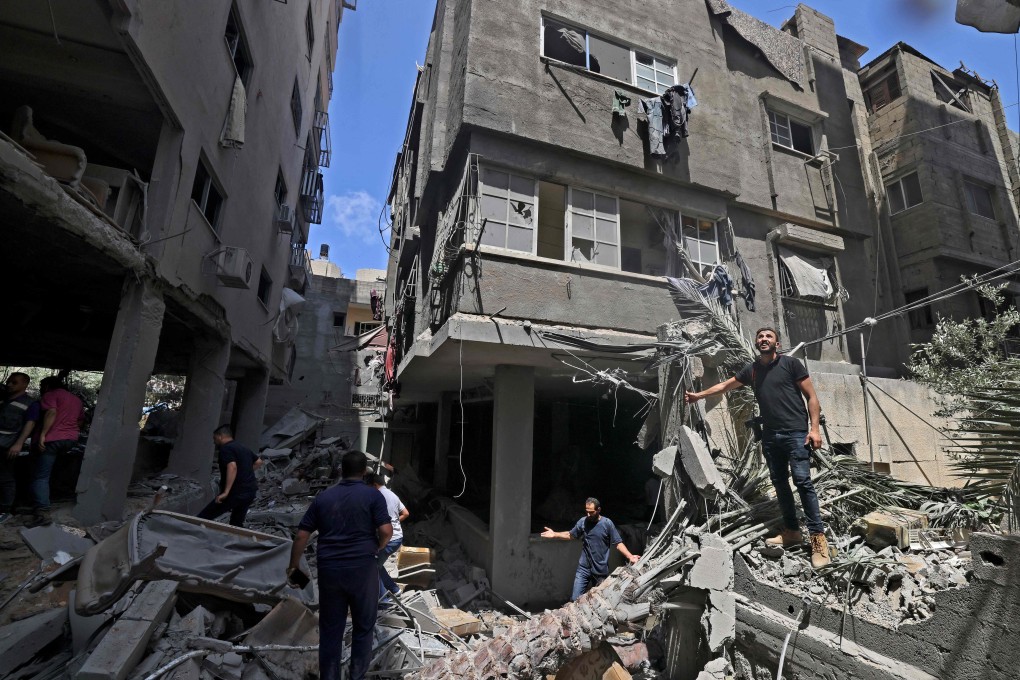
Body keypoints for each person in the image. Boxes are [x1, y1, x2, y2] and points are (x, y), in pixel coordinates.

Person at [684, 326, 831, 568]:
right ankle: (792, 531)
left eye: (768, 336)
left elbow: (812, 397)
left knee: (803, 482)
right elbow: (724, 386)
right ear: (756, 343)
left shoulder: (791, 365)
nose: (764, 339)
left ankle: (818, 540)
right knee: (781, 483)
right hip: (772, 436)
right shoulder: (752, 370)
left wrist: (814, 429)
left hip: (796, 434)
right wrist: (698, 396)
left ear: (777, 343)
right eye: (760, 336)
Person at [288, 450, 392, 680]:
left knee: (331, 630)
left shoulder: (324, 498)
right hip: (362, 570)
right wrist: (377, 547)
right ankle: (356, 676)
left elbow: (301, 536)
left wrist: (293, 567)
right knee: (363, 628)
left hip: (330, 571)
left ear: (340, 470)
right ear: (364, 472)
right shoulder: (373, 496)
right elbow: (386, 531)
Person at [541, 497, 640, 601]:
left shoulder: (607, 524)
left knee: (602, 600)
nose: (588, 515)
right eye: (587, 512)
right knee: (575, 599)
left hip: (600, 571)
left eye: (591, 512)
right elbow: (571, 535)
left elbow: (618, 543)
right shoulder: (583, 522)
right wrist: (555, 534)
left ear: (598, 510)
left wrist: (630, 556)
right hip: (583, 569)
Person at [30, 376, 83, 526]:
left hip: (52, 439)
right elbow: (80, 420)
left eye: (41, 386)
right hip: (70, 440)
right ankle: (55, 495)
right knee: (55, 468)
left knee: (41, 476)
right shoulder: (76, 400)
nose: (41, 389)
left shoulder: (50, 395)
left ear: (47, 386)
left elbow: (51, 412)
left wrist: (42, 434)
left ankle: (42, 511)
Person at [196, 425, 262, 527]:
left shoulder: (226, 449)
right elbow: (258, 462)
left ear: (220, 436)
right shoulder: (243, 447)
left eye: (214, 439)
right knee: (236, 524)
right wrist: (244, 472)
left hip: (235, 492)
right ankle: (237, 541)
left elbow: (232, 466)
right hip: (250, 491)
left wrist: (226, 492)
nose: (214, 442)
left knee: (203, 517)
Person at [0, 373, 36, 524]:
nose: (9, 385)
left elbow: (30, 423)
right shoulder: (5, 400)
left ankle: (5, 510)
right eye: (9, 382)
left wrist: (18, 443)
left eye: (14, 382)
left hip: (7, 445)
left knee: (5, 477)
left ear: (24, 384)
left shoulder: (30, 403)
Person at [367, 472, 409, 599]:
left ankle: (384, 599)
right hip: (397, 537)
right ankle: (394, 589)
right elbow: (406, 513)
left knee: (372, 566)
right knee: (376, 564)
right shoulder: (392, 494)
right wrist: (393, 522)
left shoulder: (378, 496)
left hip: (388, 538)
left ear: (374, 485)